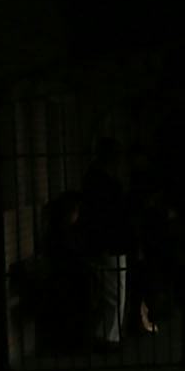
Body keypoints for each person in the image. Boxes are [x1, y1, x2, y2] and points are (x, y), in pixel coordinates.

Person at [79, 139, 134, 353]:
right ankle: (109, 337)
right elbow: (107, 215)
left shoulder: (95, 179)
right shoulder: (103, 181)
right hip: (109, 242)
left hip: (108, 242)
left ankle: (108, 335)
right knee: (114, 290)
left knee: (112, 290)